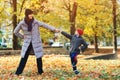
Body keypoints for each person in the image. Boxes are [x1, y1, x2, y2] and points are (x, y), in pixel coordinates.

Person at [14, 9, 59, 76]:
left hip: (36, 42)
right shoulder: (22, 23)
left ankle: (40, 72)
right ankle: (18, 72)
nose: (31, 15)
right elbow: (15, 32)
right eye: (30, 14)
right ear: (26, 14)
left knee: (38, 57)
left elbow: (45, 25)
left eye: (32, 14)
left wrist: (54, 29)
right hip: (27, 43)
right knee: (24, 57)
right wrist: (22, 37)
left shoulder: (35, 22)